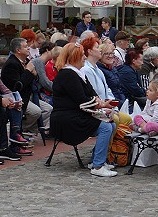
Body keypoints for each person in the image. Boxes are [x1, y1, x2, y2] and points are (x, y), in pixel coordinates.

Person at [51, 42, 117, 177]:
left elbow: (91, 93)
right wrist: (101, 106)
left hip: (76, 114)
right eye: (82, 56)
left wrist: (101, 102)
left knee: (112, 124)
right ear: (74, 57)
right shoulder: (68, 74)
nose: (85, 58)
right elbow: (82, 100)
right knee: (105, 127)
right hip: (66, 119)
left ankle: (96, 160)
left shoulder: (78, 73)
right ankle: (97, 167)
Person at [81, 37, 132, 131]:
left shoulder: (97, 69)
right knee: (114, 121)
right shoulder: (87, 70)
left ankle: (112, 145)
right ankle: (108, 145)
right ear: (90, 51)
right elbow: (94, 93)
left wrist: (114, 107)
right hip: (97, 110)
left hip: (106, 106)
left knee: (128, 119)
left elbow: (108, 90)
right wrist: (105, 109)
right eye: (97, 47)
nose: (100, 49)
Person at [1, 38, 51, 133]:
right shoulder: (12, 64)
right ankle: (21, 129)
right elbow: (18, 86)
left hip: (30, 95)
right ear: (18, 50)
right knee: (35, 112)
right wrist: (28, 71)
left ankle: (30, 130)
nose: (28, 48)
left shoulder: (26, 61)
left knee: (48, 109)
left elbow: (34, 80)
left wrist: (34, 75)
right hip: (18, 97)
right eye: (25, 47)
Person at [31, 41, 55, 105]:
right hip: (34, 94)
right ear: (47, 50)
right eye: (53, 50)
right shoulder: (38, 62)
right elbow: (45, 82)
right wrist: (58, 89)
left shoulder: (43, 63)